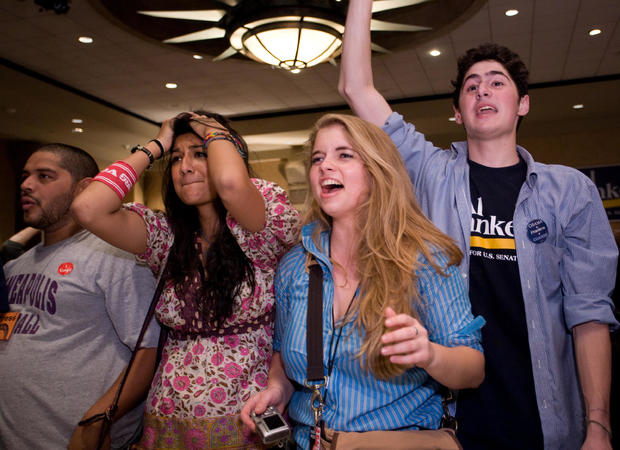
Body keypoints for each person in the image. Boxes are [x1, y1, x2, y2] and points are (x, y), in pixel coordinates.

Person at [337, 1, 619, 449]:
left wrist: (598, 426)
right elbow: (356, 86)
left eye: (496, 83)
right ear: (457, 111)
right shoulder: (431, 172)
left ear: (522, 103)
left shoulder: (570, 192)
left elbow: (589, 316)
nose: (483, 92)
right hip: (451, 419)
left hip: (548, 417)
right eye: (471, 86)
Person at [241, 113, 485, 449]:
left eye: (344, 155)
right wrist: (277, 389)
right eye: (317, 158)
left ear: (376, 171)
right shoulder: (296, 265)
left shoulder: (425, 260)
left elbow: (473, 369)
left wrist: (428, 354)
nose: (325, 165)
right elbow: (284, 356)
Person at [71, 111, 300, 448]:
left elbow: (232, 185)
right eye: (177, 158)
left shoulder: (261, 226)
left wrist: (211, 129)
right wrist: (156, 146)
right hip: (168, 418)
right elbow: (87, 208)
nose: (184, 167)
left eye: (200, 154)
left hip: (246, 420)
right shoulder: (167, 238)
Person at [0, 143, 160, 449]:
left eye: (44, 176)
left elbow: (150, 349)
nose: (26, 185)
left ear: (83, 188)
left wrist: (98, 420)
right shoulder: (15, 266)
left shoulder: (115, 256)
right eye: (25, 176)